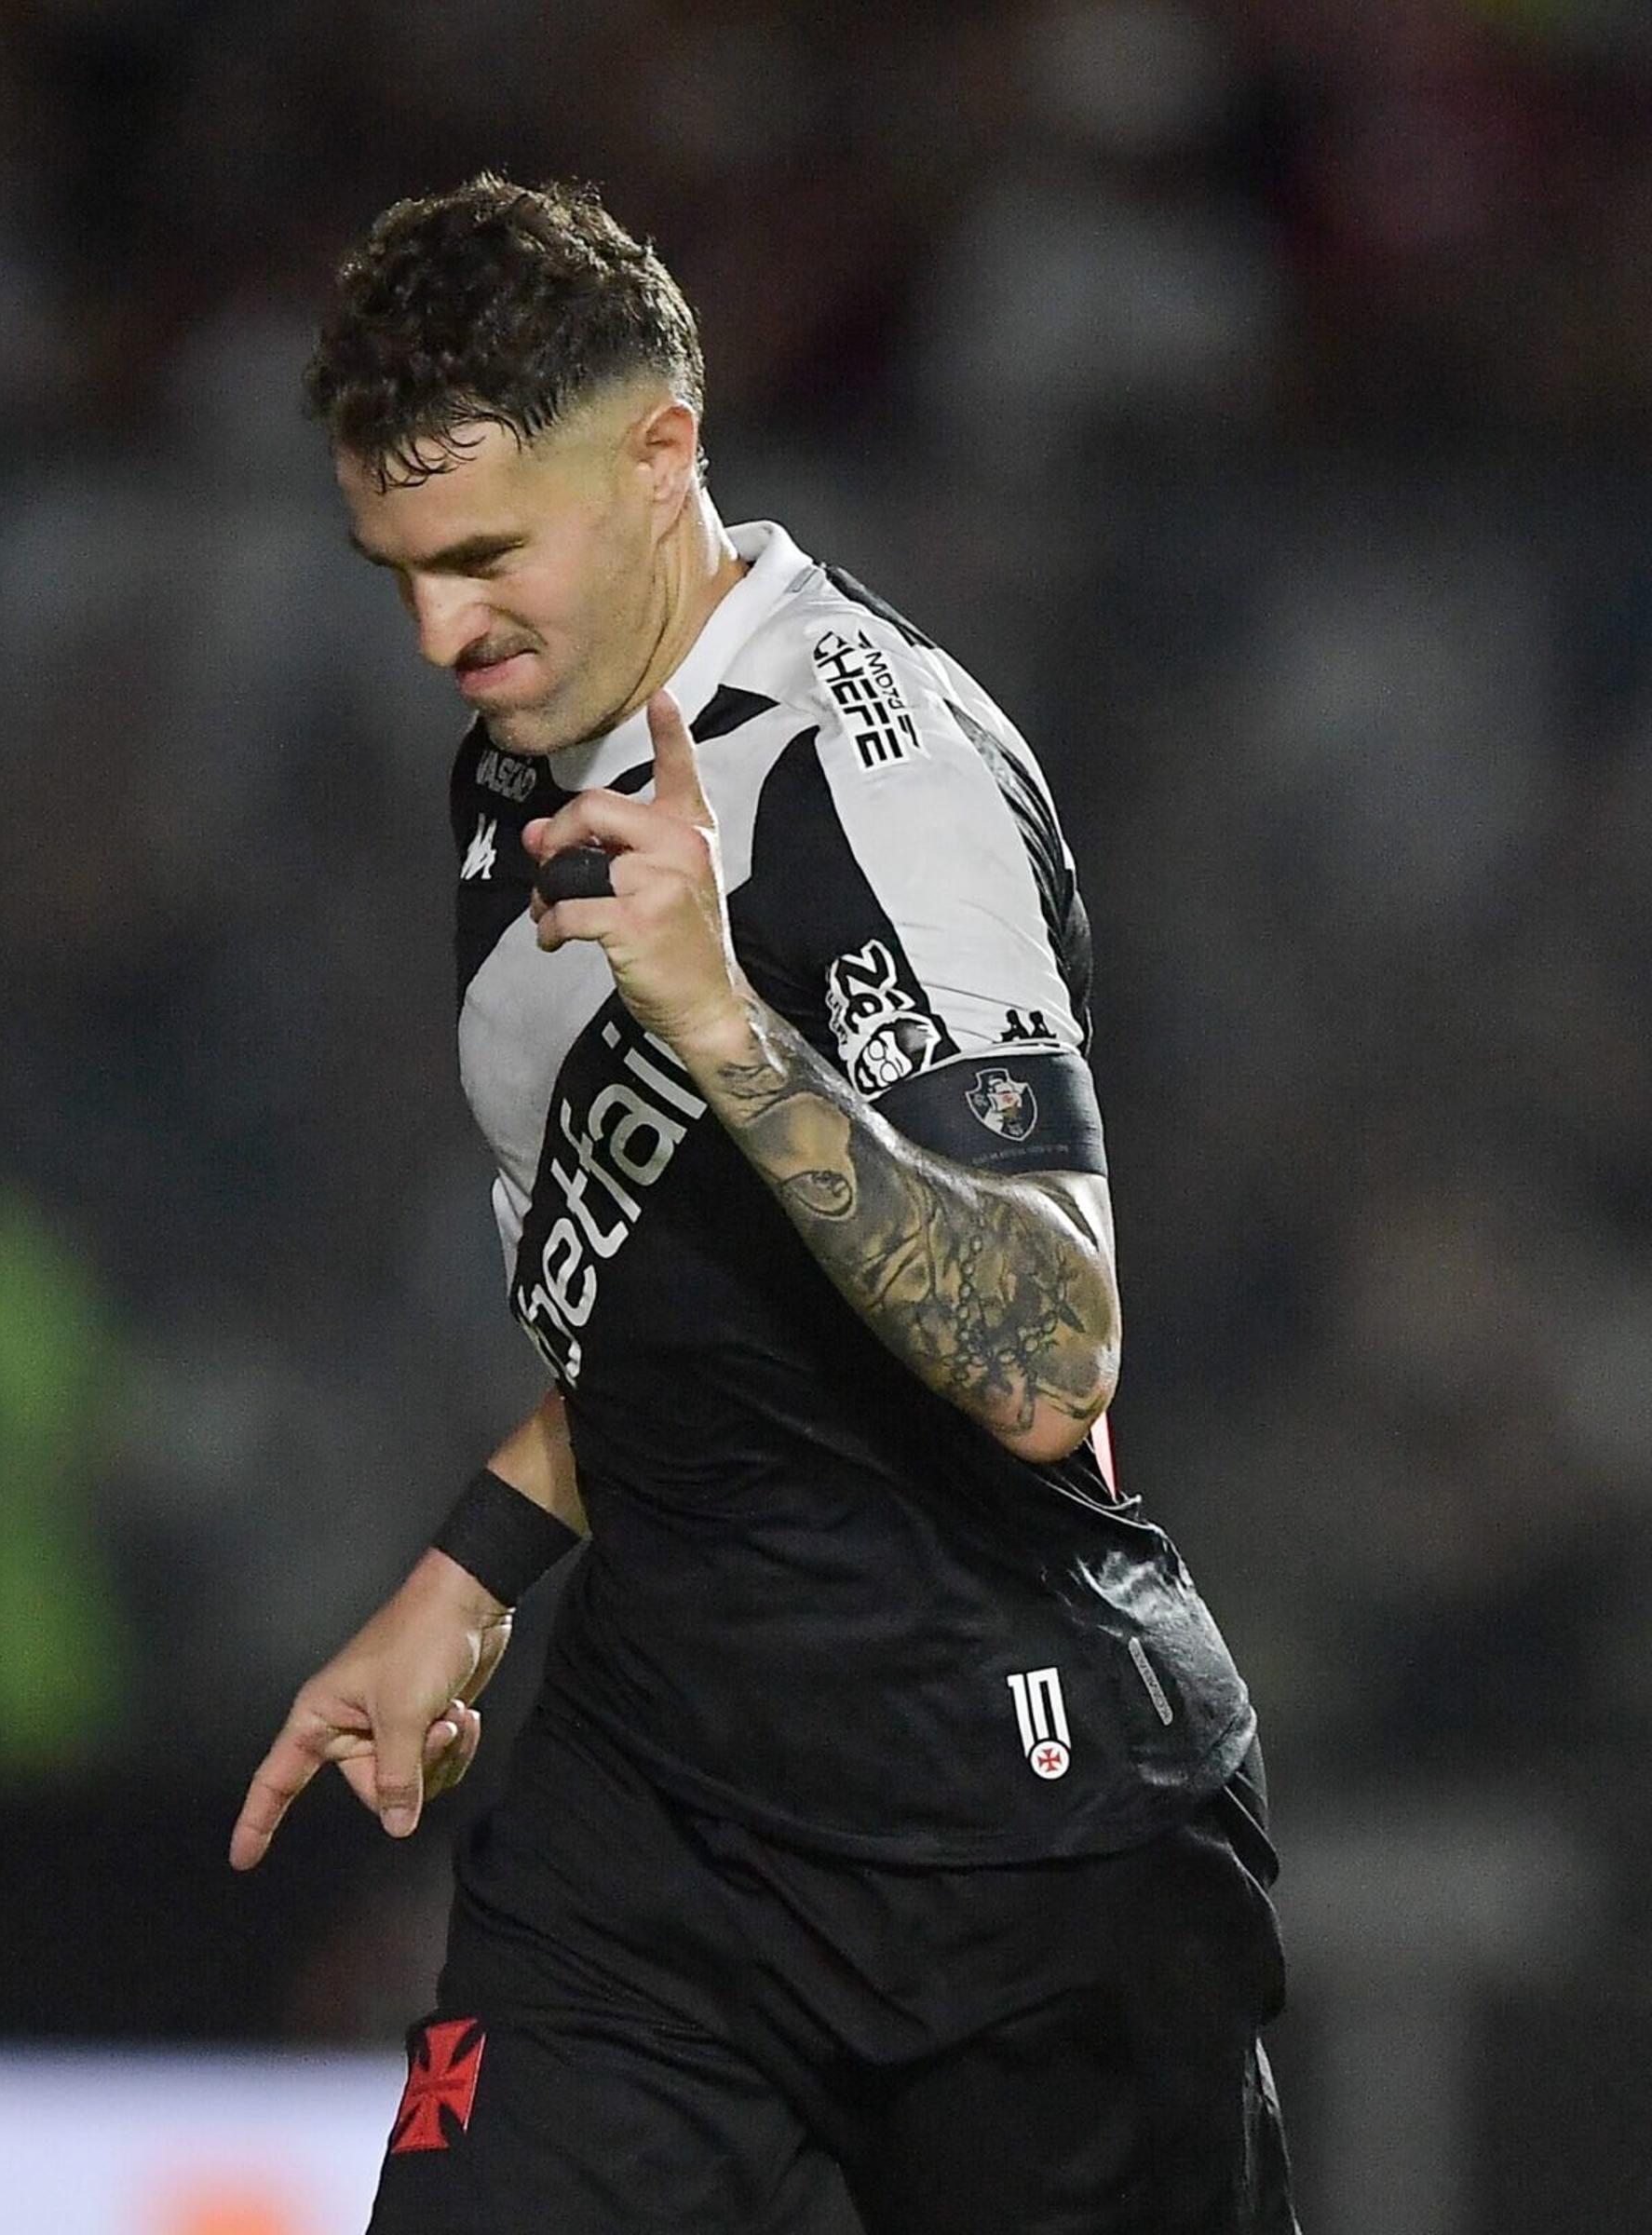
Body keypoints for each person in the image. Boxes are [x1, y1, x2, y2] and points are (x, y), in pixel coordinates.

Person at [228, 180, 1292, 2234]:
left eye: (480, 556)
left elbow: (1048, 1346)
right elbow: (683, 1296)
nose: (441, 632)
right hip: (665, 1811)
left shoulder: (874, 776)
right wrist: (471, 1569)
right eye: (398, 574)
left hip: (1013, 1825)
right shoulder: (530, 748)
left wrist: (723, 1017)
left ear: (659, 457)